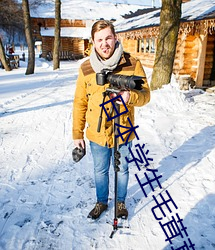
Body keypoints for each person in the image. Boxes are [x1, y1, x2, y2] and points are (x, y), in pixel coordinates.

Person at [72, 20, 150, 220]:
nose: (104, 43)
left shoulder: (132, 64)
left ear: (115, 38)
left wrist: (129, 97)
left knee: (122, 168)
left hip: (123, 130)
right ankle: (101, 202)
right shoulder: (86, 68)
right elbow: (80, 102)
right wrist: (77, 134)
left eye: (108, 38)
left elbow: (146, 95)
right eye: (99, 40)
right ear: (93, 42)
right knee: (100, 170)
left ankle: (121, 202)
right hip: (97, 133)